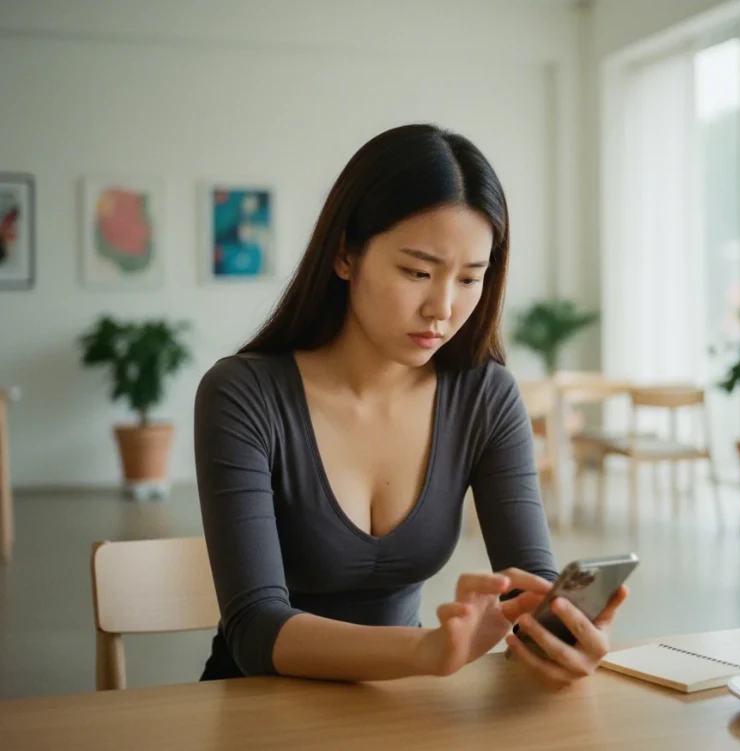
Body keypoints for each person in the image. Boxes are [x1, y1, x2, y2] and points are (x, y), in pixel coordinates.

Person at [194, 123, 627, 689]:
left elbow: (528, 585)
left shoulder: (485, 396)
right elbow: (253, 629)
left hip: (401, 707)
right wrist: (424, 650)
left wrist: (556, 634)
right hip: (256, 709)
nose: (442, 308)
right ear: (344, 254)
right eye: (417, 272)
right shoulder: (243, 394)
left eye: (470, 278)